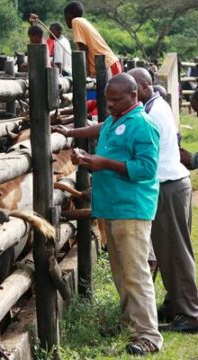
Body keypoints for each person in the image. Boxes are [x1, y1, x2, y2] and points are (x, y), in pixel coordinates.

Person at [54, 74, 163, 355]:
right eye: (108, 100)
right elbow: (99, 132)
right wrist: (84, 154)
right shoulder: (116, 121)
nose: (110, 105)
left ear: (133, 95)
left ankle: (149, 335)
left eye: (115, 100)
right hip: (113, 207)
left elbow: (146, 170)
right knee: (121, 272)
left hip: (132, 208)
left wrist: (101, 163)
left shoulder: (142, 125)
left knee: (135, 273)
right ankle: (131, 324)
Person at [128, 68, 198, 332]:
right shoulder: (157, 105)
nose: (130, 94)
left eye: (133, 88)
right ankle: (175, 305)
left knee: (175, 253)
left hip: (168, 186)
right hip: (173, 185)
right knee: (171, 252)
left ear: (145, 87)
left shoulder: (151, 113)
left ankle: (190, 313)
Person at [64, 1, 122, 78]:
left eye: (65, 17)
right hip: (109, 64)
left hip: (107, 66)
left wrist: (85, 73)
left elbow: (83, 49)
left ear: (68, 15)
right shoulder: (83, 21)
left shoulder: (76, 21)